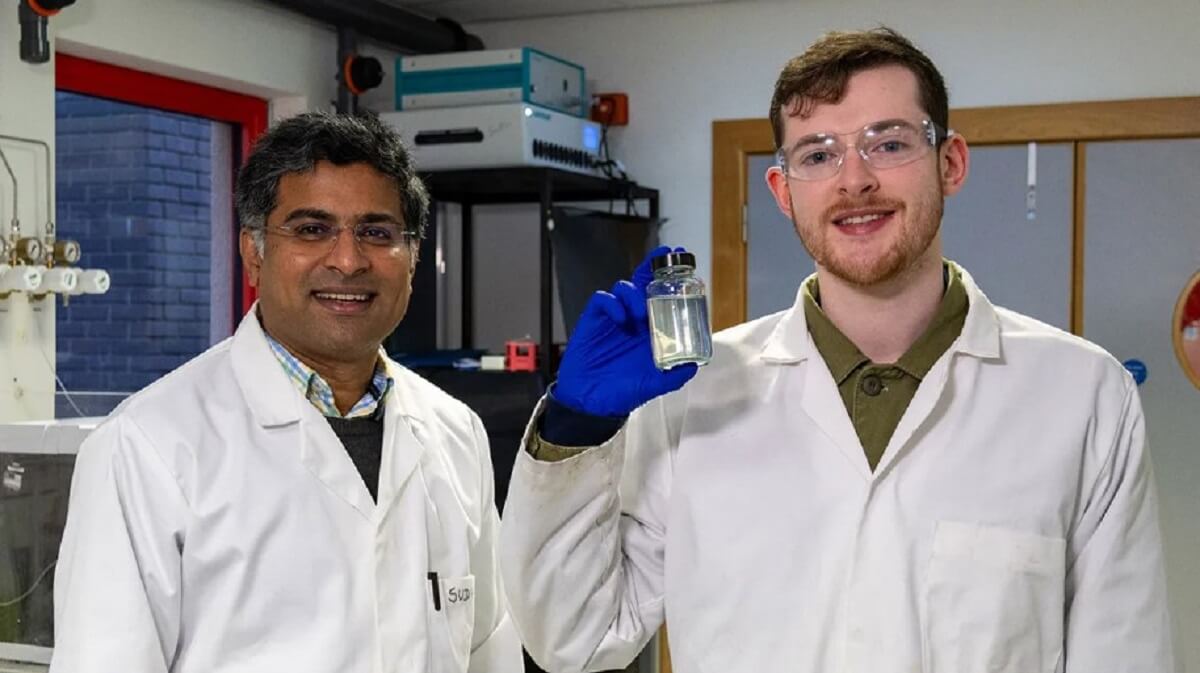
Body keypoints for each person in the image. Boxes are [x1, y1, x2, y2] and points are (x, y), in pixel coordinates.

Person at [499, 27, 1177, 673]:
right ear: (783, 192)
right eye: (818, 154)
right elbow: (575, 636)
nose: (854, 180)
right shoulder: (693, 396)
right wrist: (575, 429)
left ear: (951, 163)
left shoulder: (1081, 396)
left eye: (887, 143)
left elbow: (1125, 654)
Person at [51, 112, 523, 673]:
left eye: (377, 232)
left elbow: (490, 652)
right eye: (311, 229)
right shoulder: (147, 445)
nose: (347, 260)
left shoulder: (457, 432)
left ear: (413, 257)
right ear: (253, 253)